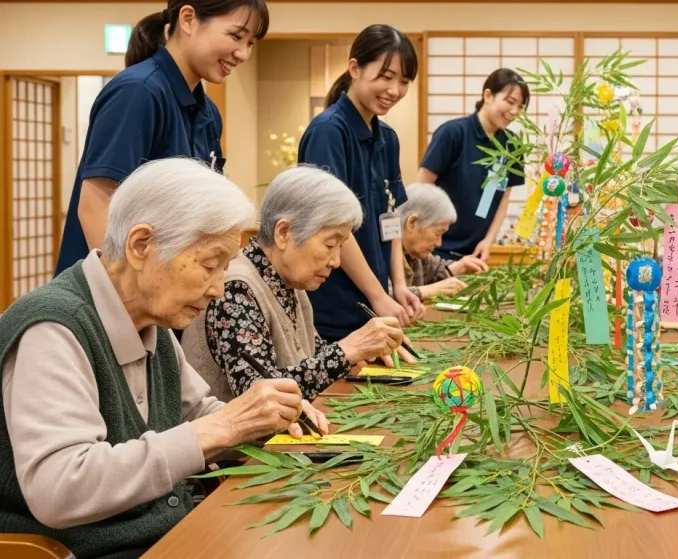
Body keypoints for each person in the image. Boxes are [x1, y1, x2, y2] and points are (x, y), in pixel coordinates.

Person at [0, 158, 329, 559]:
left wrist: (263, 419)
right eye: (210, 265)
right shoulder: (53, 327)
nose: (218, 289)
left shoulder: (151, 317)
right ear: (141, 245)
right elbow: (60, 487)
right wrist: (225, 426)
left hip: (170, 532)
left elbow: (196, 412)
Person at [55, 0, 269, 275]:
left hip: (168, 287)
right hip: (114, 288)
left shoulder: (208, 113)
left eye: (251, 43)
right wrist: (128, 289)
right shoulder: (138, 91)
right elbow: (95, 204)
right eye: (236, 36)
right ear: (188, 19)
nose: (243, 53)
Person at [181, 166, 409, 402]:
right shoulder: (235, 289)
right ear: (284, 233)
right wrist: (348, 351)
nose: (336, 261)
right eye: (330, 245)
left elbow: (315, 357)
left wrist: (364, 351)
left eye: (340, 247)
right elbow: (261, 393)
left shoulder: (289, 281)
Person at [298, 24, 422, 344]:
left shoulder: (388, 138)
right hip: (336, 308)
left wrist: (397, 285)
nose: (394, 90)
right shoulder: (328, 132)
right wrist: (377, 295)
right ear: (355, 68)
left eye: (404, 81)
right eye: (386, 76)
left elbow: (391, 216)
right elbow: (333, 224)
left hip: (374, 301)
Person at [417, 68, 529, 262]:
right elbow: (421, 189)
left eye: (521, 106)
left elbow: (502, 199)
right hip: (437, 251)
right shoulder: (452, 133)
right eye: (510, 102)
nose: (515, 111)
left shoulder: (512, 144)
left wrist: (488, 241)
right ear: (488, 95)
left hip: (475, 253)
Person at [396, 183, 490, 301]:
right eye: (437, 233)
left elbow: (435, 270)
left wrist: (460, 266)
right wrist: (425, 291)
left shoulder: (417, 253)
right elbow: (383, 299)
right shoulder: (383, 255)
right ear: (412, 223)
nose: (439, 243)